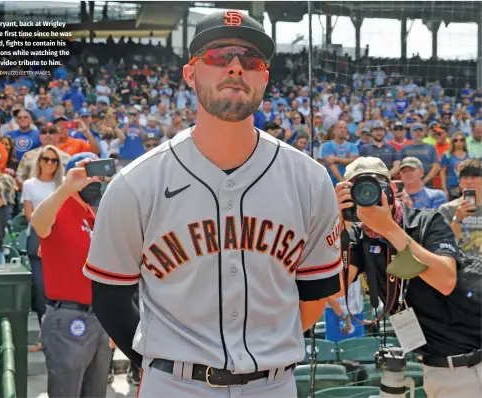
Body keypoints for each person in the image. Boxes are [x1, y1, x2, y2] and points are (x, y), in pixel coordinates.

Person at [84, 11, 342, 398]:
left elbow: (316, 292)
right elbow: (109, 296)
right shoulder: (136, 183)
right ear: (191, 73)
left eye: (251, 60)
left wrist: (265, 353)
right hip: (174, 386)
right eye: (219, 55)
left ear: (264, 78)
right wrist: (159, 367)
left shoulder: (309, 178)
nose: (236, 67)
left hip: (274, 386)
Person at [335, 156, 481, 398]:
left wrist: (390, 229)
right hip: (436, 366)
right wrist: (335, 226)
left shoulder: (426, 220)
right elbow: (336, 288)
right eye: (357, 190)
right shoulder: (358, 238)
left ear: (392, 189)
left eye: (375, 186)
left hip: (472, 362)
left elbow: (446, 281)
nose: (367, 196)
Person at [30, 153, 111, 398]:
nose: (94, 180)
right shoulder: (59, 207)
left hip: (99, 318)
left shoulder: (93, 216)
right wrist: (67, 188)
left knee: (96, 392)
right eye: (87, 173)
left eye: (97, 174)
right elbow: (38, 222)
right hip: (69, 318)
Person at [21, 145, 64, 343]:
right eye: (45, 159)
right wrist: (45, 228)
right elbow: (29, 215)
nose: (49, 163)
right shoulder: (29, 184)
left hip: (60, 237)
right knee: (40, 288)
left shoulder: (62, 184)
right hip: (37, 237)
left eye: (53, 160)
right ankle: (43, 336)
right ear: (39, 161)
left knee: (60, 288)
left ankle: (59, 334)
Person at [439, 159, 482, 257]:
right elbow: (443, 245)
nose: (469, 181)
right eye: (465, 177)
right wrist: (457, 219)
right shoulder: (446, 209)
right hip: (459, 265)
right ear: (459, 181)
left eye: (474, 177)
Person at [320, 120, 359, 185]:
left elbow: (353, 161)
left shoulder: (352, 146)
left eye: (345, 128)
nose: (343, 130)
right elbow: (330, 163)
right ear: (334, 130)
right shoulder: (326, 145)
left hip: (350, 183)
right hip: (330, 183)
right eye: (340, 127)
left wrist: (335, 159)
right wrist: (342, 181)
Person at [440, 132, 470, 200]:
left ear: (464, 142)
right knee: (453, 209)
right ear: (452, 142)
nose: (459, 142)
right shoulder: (447, 155)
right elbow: (442, 172)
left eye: (461, 140)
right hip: (452, 188)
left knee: (468, 208)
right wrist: (444, 190)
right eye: (456, 140)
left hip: (467, 188)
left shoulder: (470, 156)